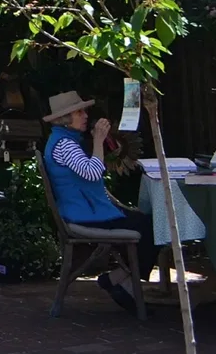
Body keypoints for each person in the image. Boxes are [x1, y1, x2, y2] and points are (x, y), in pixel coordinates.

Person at [43, 90, 161, 314]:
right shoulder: (65, 145)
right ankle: (125, 283)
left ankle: (118, 278)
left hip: (89, 211)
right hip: (86, 215)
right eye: (80, 112)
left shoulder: (64, 140)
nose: (86, 115)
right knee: (155, 227)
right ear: (65, 119)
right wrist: (98, 140)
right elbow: (92, 173)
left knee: (150, 224)